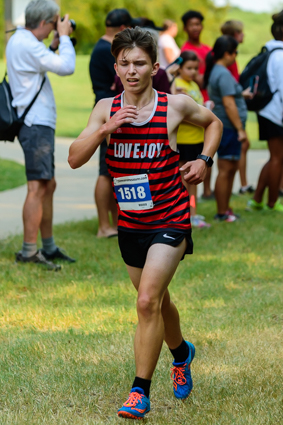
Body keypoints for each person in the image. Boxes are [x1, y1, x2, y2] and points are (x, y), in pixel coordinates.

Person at [69, 27, 222, 419]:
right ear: (115, 66)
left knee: (145, 300)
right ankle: (181, 352)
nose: (132, 71)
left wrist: (204, 161)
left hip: (170, 216)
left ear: (155, 67)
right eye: (124, 64)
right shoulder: (105, 108)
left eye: (140, 64)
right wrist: (106, 128)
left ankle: (140, 391)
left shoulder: (175, 105)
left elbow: (214, 124)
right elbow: (73, 158)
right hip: (132, 223)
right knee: (158, 301)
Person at [6, 0, 76, 270]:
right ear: (46, 22)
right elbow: (66, 67)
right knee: (37, 187)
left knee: (48, 184)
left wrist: (55, 45)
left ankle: (47, 246)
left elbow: (38, 65)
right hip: (35, 124)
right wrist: (66, 39)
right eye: (54, 24)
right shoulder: (25, 42)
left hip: (37, 123)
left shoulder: (22, 40)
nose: (55, 29)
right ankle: (28, 251)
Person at [89, 8, 134, 238]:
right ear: (123, 28)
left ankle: (115, 223)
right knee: (106, 171)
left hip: (112, 110)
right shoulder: (106, 51)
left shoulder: (100, 48)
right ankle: (103, 226)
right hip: (109, 112)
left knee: (114, 170)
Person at [204, 35, 251, 222]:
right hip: (229, 128)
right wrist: (240, 129)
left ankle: (225, 208)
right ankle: (222, 212)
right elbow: (229, 104)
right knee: (226, 169)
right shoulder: (222, 73)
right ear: (227, 54)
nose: (236, 56)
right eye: (235, 52)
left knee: (230, 169)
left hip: (229, 127)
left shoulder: (218, 71)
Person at [247, 12, 283, 212]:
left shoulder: (270, 51)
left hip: (268, 111)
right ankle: (272, 202)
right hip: (277, 113)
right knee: (278, 157)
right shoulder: (280, 55)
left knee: (275, 157)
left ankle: (258, 199)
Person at [175, 51, 210, 228]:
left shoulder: (194, 85)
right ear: (179, 67)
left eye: (195, 68)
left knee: (194, 179)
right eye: (188, 68)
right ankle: (183, 214)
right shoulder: (176, 85)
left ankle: (193, 213)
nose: (193, 72)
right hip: (184, 140)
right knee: (183, 180)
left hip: (197, 138)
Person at [181, 10, 213, 200]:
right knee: (187, 167)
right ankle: (188, 205)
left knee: (205, 159)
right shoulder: (184, 50)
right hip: (190, 122)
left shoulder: (207, 49)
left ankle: (207, 193)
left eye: (198, 23)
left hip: (205, 106)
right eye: (192, 24)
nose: (196, 27)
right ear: (185, 27)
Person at [221, 20, 254, 195]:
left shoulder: (229, 58)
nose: (243, 35)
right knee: (241, 146)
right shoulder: (228, 59)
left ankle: (242, 183)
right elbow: (228, 92)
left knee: (243, 146)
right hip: (229, 113)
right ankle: (242, 184)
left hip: (235, 109)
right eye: (240, 32)